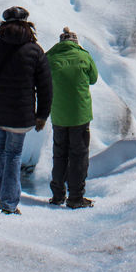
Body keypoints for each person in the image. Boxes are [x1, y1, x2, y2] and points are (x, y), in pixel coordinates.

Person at [0, 6, 52, 215]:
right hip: (21, 114)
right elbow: (45, 86)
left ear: (4, 25)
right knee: (14, 154)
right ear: (28, 26)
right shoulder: (35, 51)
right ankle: (9, 204)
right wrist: (42, 115)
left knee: (0, 147)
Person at [45, 27, 98, 209]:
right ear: (75, 42)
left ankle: (57, 195)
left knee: (60, 154)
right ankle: (76, 197)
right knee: (78, 155)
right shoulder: (84, 56)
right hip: (80, 115)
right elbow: (93, 78)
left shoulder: (50, 57)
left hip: (58, 115)